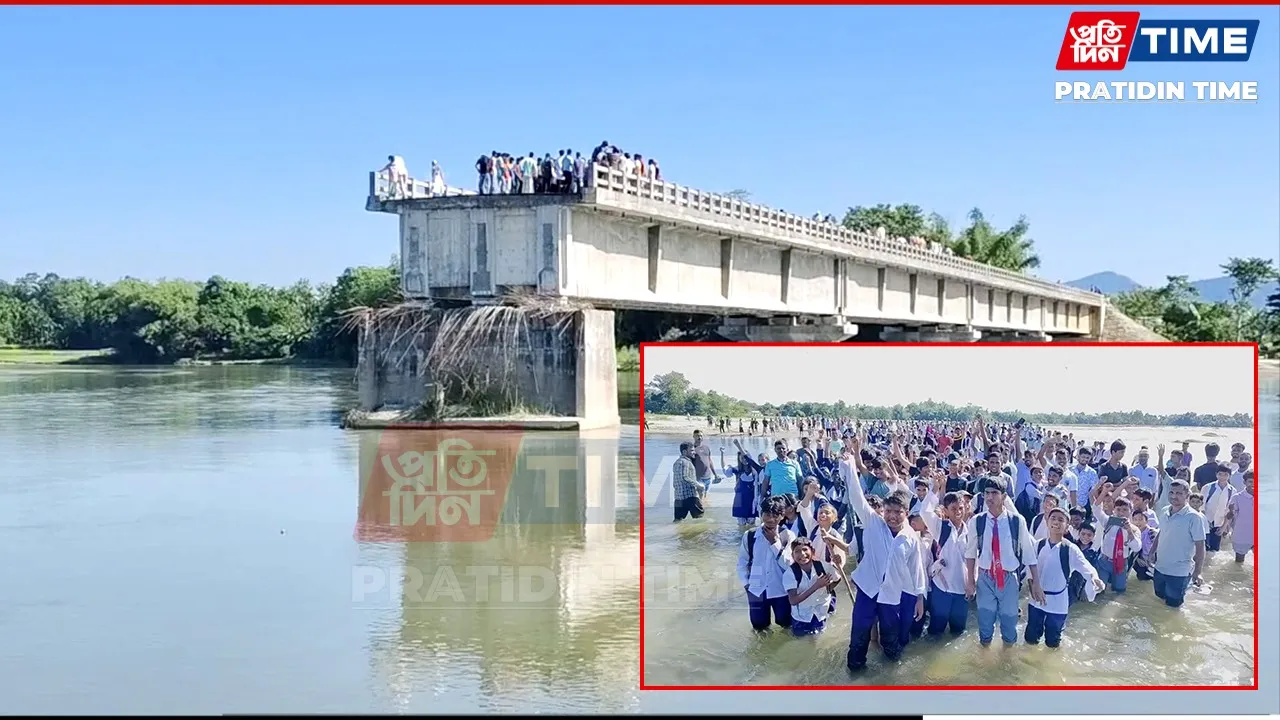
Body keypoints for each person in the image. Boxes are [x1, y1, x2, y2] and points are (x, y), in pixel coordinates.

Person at [840, 439, 926, 672]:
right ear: (883, 511)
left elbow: (916, 568)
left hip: (892, 594)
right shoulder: (873, 523)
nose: (892, 516)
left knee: (891, 638)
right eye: (888, 511)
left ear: (906, 513)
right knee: (859, 634)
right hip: (868, 589)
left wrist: (919, 596)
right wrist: (850, 467)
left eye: (898, 512)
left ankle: (891, 675)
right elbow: (857, 498)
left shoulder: (910, 536)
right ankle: (855, 671)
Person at [964, 476, 1043, 646]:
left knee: (1009, 623)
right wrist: (970, 581)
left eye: (994, 493)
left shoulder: (1017, 521)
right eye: (986, 493)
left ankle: (1007, 657)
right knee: (985, 622)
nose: (990, 497)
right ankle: (985, 656)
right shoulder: (976, 521)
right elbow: (970, 554)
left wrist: (1036, 583)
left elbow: (1029, 554)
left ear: (1004, 497)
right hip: (985, 577)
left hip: (1009, 578)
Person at [1024, 507, 1104, 648]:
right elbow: (1030, 568)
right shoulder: (1038, 545)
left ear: (1067, 527)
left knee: (1053, 643)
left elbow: (1086, 567)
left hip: (1057, 602)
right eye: (1053, 518)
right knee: (1031, 639)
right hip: (1036, 600)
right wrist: (1032, 587)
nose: (1056, 522)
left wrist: (1095, 578)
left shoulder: (1070, 549)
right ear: (1047, 522)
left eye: (1061, 520)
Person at [737, 496, 796, 631]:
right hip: (756, 589)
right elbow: (742, 562)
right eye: (767, 515)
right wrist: (746, 583)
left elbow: (789, 564)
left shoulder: (788, 535)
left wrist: (774, 543)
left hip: (781, 588)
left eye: (775, 515)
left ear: (782, 516)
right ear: (761, 514)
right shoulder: (750, 535)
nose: (770, 519)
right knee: (759, 627)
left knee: (786, 624)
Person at [1149, 480, 1207, 608]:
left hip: (1179, 571)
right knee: (1159, 598)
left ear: (1187, 495)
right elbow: (1161, 532)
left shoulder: (1194, 517)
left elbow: (1200, 546)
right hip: (1160, 567)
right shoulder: (1164, 511)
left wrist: (1198, 572)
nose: (1174, 496)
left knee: (1174, 606)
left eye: (1179, 493)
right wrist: (1152, 552)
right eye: (1171, 492)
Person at [926, 491, 970, 636]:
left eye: (960, 508)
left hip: (962, 590)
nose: (958, 512)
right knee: (935, 632)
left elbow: (974, 560)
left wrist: (972, 583)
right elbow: (925, 511)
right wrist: (935, 488)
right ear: (945, 511)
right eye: (953, 509)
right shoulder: (941, 528)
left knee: (958, 632)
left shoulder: (971, 531)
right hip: (942, 588)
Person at [782, 537, 840, 636]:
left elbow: (837, 578)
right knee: (801, 643)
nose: (802, 554)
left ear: (812, 551)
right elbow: (793, 601)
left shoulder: (822, 566)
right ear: (792, 555)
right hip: (801, 617)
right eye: (797, 551)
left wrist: (828, 588)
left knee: (818, 640)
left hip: (820, 614)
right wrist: (817, 586)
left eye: (805, 550)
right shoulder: (790, 573)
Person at [1201, 463, 1237, 552]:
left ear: (1229, 476)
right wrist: (1205, 522)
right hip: (1206, 522)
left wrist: (1224, 527)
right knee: (1203, 549)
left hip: (1219, 524)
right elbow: (1201, 506)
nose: (1222, 477)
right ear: (1216, 474)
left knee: (1214, 551)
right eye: (1220, 474)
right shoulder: (1208, 487)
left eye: (1225, 475)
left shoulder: (1232, 491)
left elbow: (1230, 511)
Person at [1224, 471, 1255, 563]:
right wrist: (1230, 511)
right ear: (1244, 482)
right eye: (1250, 481)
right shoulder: (1237, 497)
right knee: (1239, 563)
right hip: (1241, 535)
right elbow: (1229, 517)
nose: (1253, 484)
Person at [671, 442, 703, 521]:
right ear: (684, 452)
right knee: (700, 520)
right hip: (690, 496)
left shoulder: (676, 462)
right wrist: (698, 485)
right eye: (692, 450)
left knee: (678, 521)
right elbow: (685, 477)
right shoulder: (686, 462)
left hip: (678, 498)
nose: (694, 452)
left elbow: (676, 481)